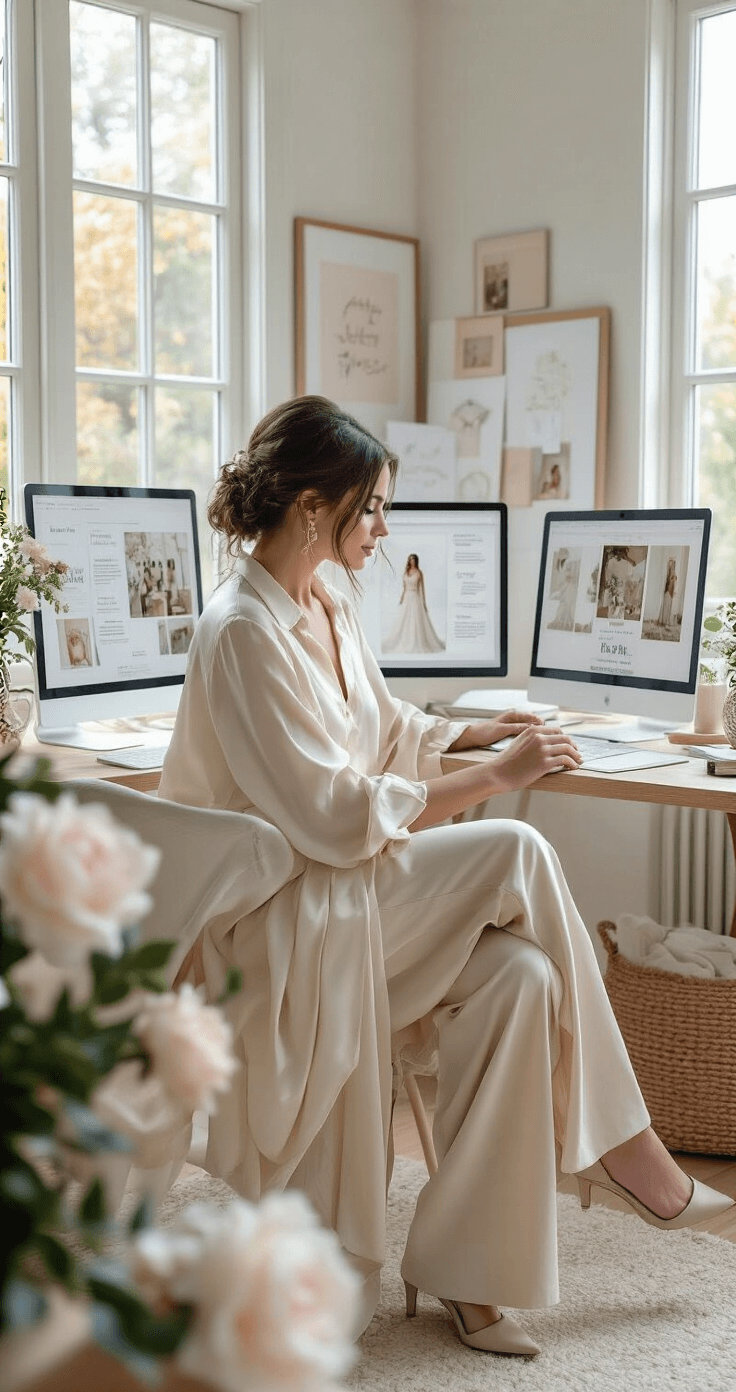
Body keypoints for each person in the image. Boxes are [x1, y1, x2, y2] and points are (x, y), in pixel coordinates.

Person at [159, 396, 733, 1358]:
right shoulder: (242, 633)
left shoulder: (327, 601)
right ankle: (627, 1150)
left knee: (523, 979)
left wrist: (476, 734)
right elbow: (334, 814)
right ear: (313, 506)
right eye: (373, 508)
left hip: (351, 897)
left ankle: (469, 1271)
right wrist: (499, 777)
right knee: (516, 848)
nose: (384, 530)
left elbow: (385, 732)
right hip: (284, 924)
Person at [383, 553, 445, 654]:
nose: (412, 562)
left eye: (414, 560)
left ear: (416, 561)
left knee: (415, 619)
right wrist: (402, 598)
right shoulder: (406, 572)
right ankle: (405, 640)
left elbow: (422, 589)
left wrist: (424, 603)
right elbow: (404, 587)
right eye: (411, 560)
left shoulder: (419, 573)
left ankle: (417, 641)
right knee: (404, 619)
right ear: (409, 561)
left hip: (415, 597)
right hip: (407, 597)